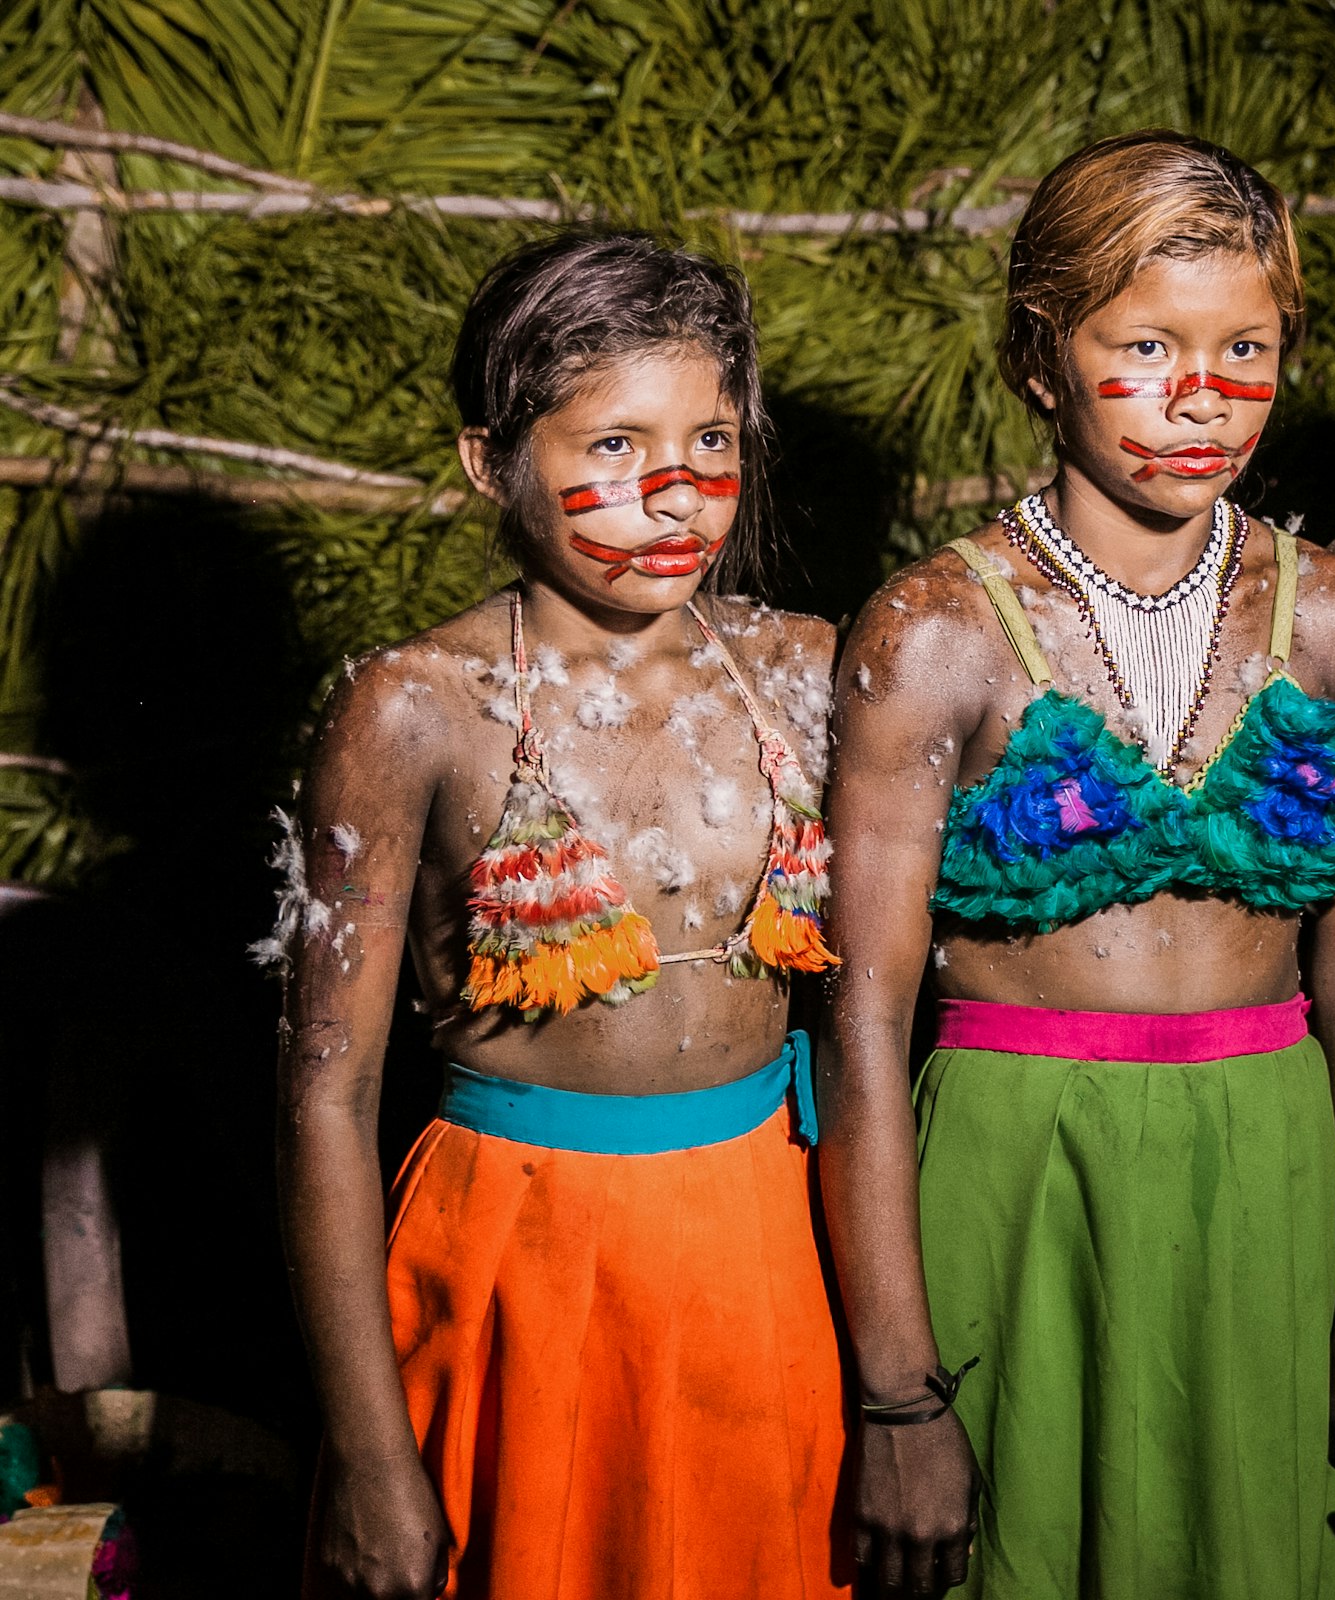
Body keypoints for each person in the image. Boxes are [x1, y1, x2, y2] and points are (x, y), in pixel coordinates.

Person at [817, 131, 1335, 1599]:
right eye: (1146, 344)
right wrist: (900, 1392)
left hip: (1268, 1167)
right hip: (1021, 1171)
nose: (1201, 397)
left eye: (1248, 350)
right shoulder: (931, 632)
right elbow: (858, 1017)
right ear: (1044, 358)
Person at [274, 232, 849, 1600]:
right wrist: (366, 1455)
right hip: (512, 1259)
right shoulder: (412, 710)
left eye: (712, 440)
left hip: (763, 1253)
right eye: (613, 447)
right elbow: (322, 1096)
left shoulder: (812, 671)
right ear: (491, 462)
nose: (674, 495)